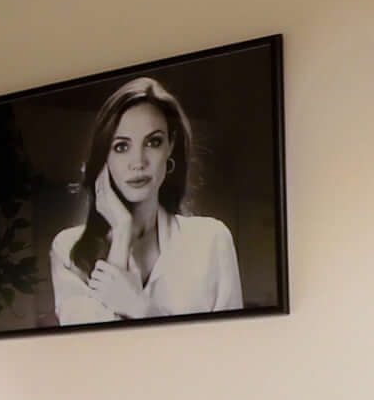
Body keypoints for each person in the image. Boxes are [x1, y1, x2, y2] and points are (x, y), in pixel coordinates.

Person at [47, 75, 242, 324]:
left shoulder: (212, 239)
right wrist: (121, 233)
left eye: (153, 142)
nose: (138, 162)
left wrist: (140, 307)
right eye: (121, 146)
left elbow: (228, 349)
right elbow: (93, 350)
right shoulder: (68, 249)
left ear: (170, 146)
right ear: (103, 156)